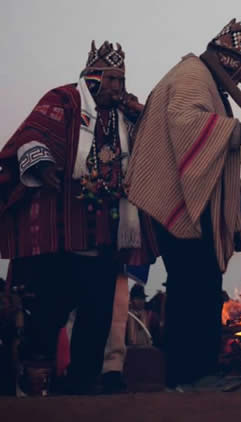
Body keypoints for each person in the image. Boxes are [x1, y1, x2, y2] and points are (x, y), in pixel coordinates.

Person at [124, 18, 241, 389]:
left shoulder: (205, 78)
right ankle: (190, 374)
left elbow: (207, 150)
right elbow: (186, 123)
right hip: (181, 204)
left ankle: (197, 370)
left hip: (195, 206)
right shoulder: (193, 75)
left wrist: (235, 210)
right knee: (193, 285)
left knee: (202, 284)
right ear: (230, 60)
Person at [0, 41, 157, 394]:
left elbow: (153, 140)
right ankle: (35, 381)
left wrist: (138, 111)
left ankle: (82, 386)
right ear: (93, 78)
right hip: (61, 229)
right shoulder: (64, 100)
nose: (119, 87)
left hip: (106, 233)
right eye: (113, 79)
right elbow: (32, 134)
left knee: (98, 313)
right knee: (49, 310)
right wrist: (42, 164)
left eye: (122, 80)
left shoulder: (125, 114)